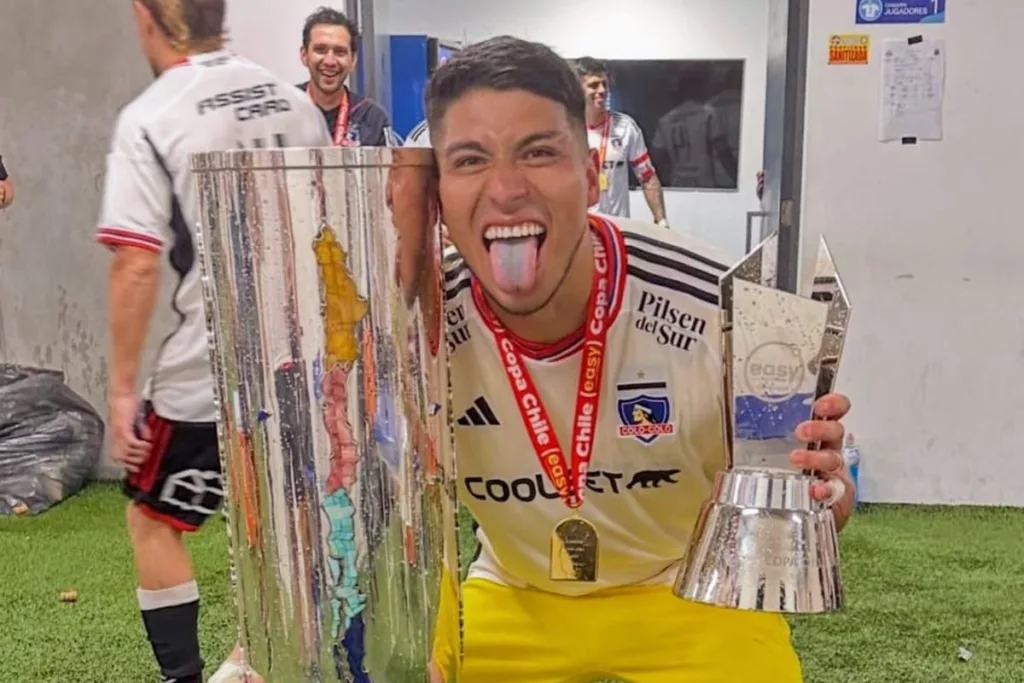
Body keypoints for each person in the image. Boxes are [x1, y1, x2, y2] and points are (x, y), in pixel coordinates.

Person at [422, 36, 855, 683]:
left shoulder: (723, 302)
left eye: (538, 152)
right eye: (469, 160)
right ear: (438, 189)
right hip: (513, 592)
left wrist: (823, 486)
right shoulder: (414, 318)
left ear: (592, 172)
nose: (506, 189)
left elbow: (829, 501)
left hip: (684, 587)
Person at [95, 2, 331, 682]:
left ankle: (189, 676)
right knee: (293, 520)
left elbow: (136, 261)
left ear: (145, 17)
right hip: (303, 356)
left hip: (210, 362)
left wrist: (120, 390)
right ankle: (259, 657)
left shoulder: (151, 115)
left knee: (153, 516)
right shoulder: (294, 104)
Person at [574, 57, 668, 226]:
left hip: (618, 227)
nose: (602, 90)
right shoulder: (567, 128)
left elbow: (647, 177)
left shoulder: (625, 127)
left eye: (605, 84)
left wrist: (661, 220)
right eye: (593, 85)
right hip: (580, 228)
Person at [298, 6, 392, 146]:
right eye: (320, 50)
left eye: (340, 52)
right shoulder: (286, 108)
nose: (330, 61)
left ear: (353, 60)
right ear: (304, 55)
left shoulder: (372, 117)